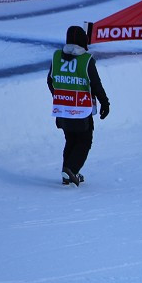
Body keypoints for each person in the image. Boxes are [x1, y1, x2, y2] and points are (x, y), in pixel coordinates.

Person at [47, 25, 110, 186]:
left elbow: (50, 80)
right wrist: (105, 102)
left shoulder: (56, 57)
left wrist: (59, 95)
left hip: (62, 109)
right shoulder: (86, 60)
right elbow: (95, 84)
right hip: (81, 110)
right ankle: (71, 169)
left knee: (70, 139)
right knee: (84, 141)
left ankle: (66, 173)